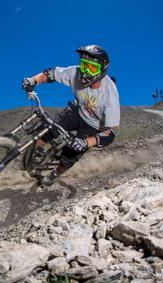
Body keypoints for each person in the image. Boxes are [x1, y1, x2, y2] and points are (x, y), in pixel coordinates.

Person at [22, 44, 120, 187]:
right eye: (84, 65)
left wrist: (85, 143)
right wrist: (33, 80)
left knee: (71, 153)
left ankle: (56, 173)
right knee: (50, 128)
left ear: (102, 70)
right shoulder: (75, 72)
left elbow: (110, 132)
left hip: (94, 125)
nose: (85, 71)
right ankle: (34, 153)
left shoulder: (110, 94)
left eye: (92, 68)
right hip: (78, 111)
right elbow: (51, 73)